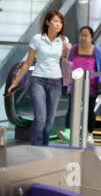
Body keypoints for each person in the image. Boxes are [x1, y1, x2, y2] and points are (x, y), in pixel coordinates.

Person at [7, 10, 71, 146]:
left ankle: (44, 146)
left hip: (56, 82)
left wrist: (67, 51)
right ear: (47, 22)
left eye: (60, 22)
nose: (58, 24)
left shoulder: (64, 41)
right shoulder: (37, 39)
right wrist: (15, 82)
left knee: (50, 121)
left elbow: (64, 62)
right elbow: (28, 63)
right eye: (55, 21)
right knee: (40, 118)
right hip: (38, 81)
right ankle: (36, 147)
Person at [58, 26, 101, 144]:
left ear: (91, 37)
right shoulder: (74, 49)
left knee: (89, 110)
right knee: (71, 108)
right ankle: (69, 131)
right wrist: (66, 81)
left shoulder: (97, 51)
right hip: (75, 85)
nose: (83, 38)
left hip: (91, 86)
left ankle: (88, 133)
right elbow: (67, 64)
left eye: (86, 35)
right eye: (81, 35)